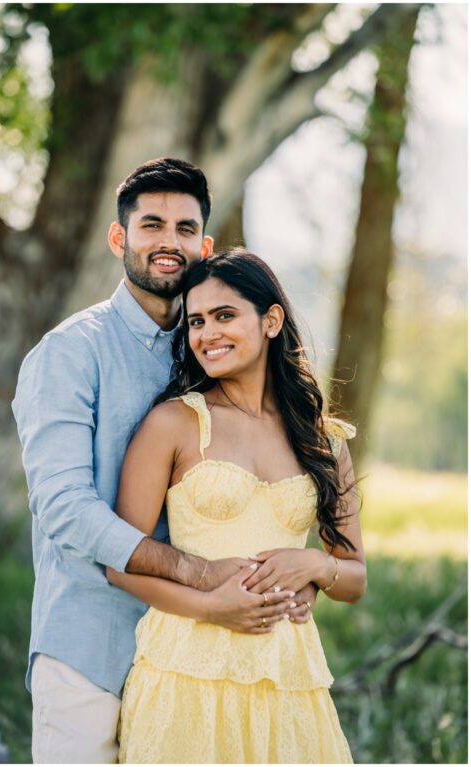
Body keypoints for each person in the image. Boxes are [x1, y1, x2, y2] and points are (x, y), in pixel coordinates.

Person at [12, 158, 315, 763]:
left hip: (199, 653)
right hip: (89, 649)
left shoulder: (211, 351)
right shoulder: (70, 353)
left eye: (184, 229)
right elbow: (66, 511)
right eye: (151, 225)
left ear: (204, 245)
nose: (168, 242)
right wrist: (202, 575)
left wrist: (289, 577)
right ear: (119, 238)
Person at [109, 249, 365, 762]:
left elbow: (355, 578)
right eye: (197, 321)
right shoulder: (174, 424)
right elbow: (121, 564)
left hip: (289, 677)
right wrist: (210, 605)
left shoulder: (323, 440)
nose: (208, 334)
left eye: (225, 316)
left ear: (271, 320)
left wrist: (313, 564)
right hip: (186, 672)